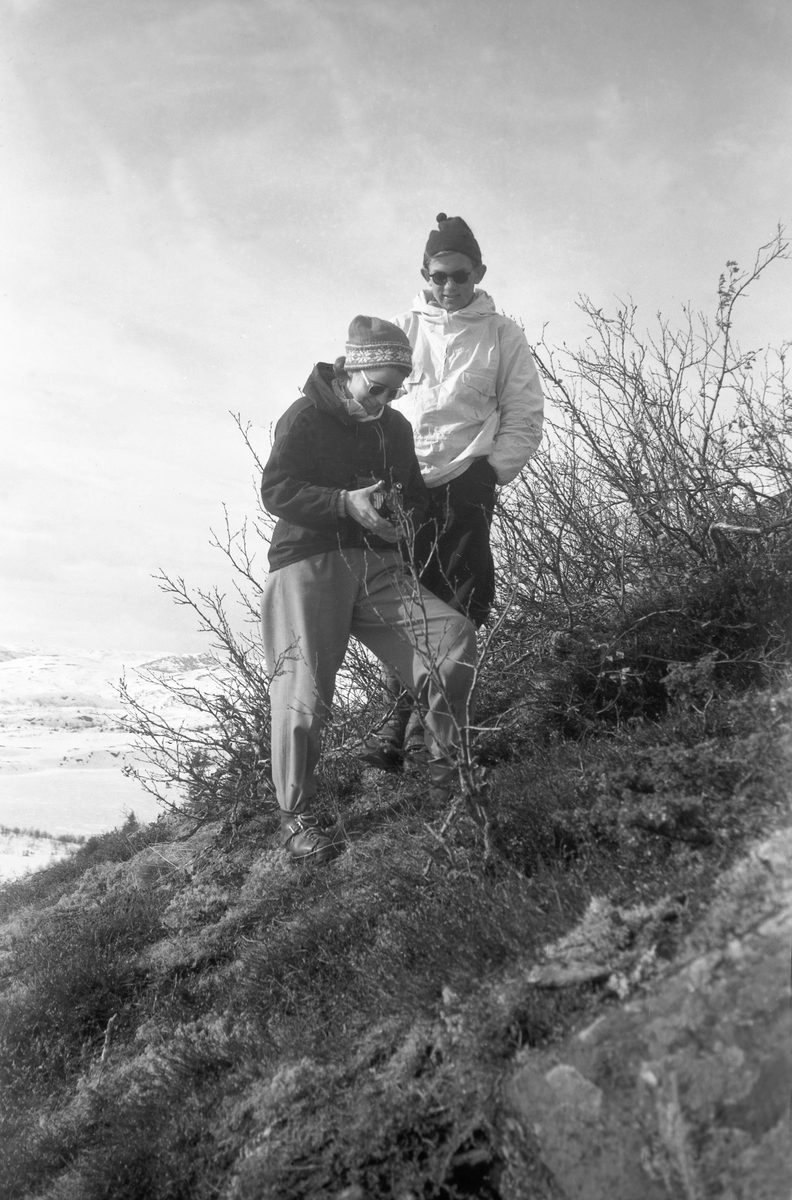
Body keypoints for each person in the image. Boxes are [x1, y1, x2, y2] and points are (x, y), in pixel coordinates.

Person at [260, 315, 477, 865]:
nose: (385, 397)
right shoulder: (305, 416)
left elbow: (415, 495)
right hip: (307, 564)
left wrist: (400, 515)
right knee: (302, 693)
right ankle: (295, 818)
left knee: (450, 639)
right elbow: (277, 489)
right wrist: (342, 503)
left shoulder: (396, 428)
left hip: (378, 564)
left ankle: (446, 779)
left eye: (395, 388)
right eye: (376, 386)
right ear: (350, 370)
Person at [361, 213, 545, 770]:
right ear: (425, 272)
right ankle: (400, 729)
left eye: (459, 276)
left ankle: (427, 737)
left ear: (479, 272)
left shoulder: (502, 335)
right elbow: (368, 404)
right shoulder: (399, 329)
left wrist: (489, 475)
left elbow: (525, 416)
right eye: (439, 275)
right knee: (410, 607)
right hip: (403, 486)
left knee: (465, 602)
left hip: (467, 480)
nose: (448, 287)